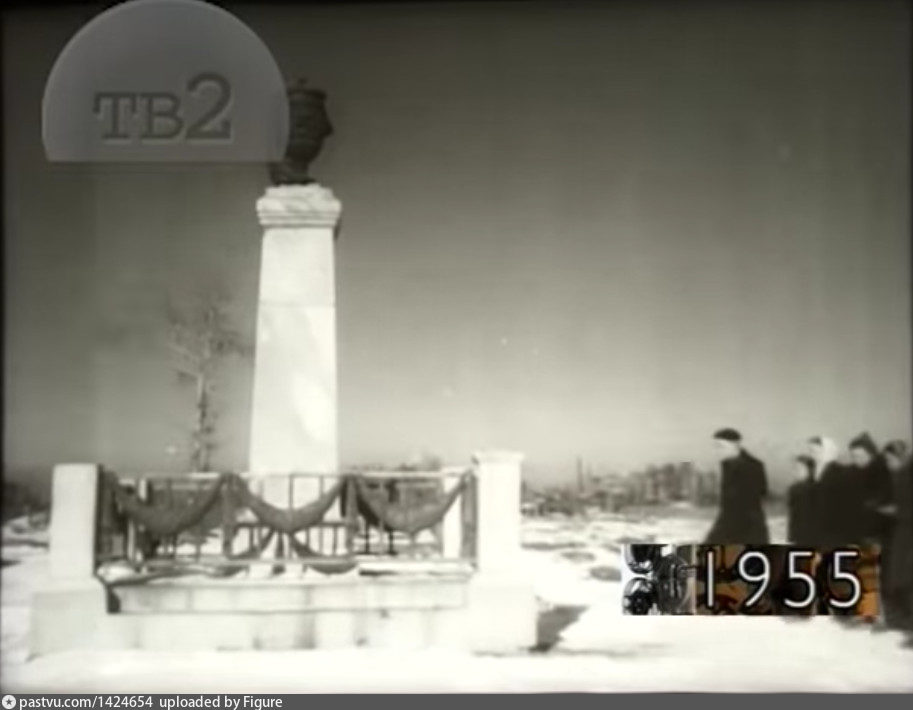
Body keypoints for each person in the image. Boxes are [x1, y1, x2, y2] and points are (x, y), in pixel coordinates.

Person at [704, 428, 769, 544]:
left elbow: (757, 496)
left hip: (747, 528)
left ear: (735, 445)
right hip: (731, 524)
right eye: (716, 446)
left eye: (721, 446)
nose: (717, 450)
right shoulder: (727, 464)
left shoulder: (753, 466)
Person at [879, 440, 913, 633]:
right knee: (898, 577)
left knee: (906, 578)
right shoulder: (898, 475)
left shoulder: (907, 475)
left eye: (890, 459)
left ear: (901, 457)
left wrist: (896, 511)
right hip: (900, 532)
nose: (888, 463)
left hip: (908, 533)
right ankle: (900, 622)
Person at [808, 435, 853, 545]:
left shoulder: (839, 470)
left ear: (826, 451)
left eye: (816, 451)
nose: (812, 454)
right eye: (810, 451)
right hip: (815, 523)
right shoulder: (811, 469)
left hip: (833, 524)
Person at [787, 454, 820, 545]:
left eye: (800, 468)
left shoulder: (817, 488)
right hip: (798, 535)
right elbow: (793, 515)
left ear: (810, 470)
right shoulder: (793, 488)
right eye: (795, 468)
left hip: (814, 535)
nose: (796, 471)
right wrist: (791, 536)